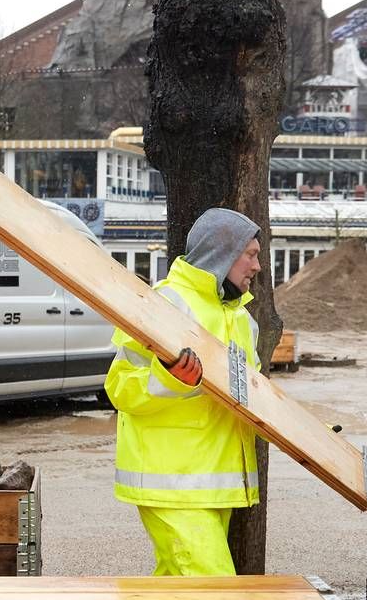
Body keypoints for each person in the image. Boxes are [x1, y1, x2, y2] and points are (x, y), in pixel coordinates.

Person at [105, 207, 263, 576]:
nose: (257, 267)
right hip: (173, 482)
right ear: (222, 253)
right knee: (213, 591)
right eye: (251, 255)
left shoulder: (242, 318)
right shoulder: (166, 304)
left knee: (178, 593)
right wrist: (173, 379)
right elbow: (119, 387)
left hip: (211, 486)